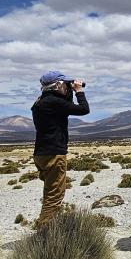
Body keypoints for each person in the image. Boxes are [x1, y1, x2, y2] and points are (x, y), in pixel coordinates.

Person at [31, 70, 89, 226]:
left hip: (42, 152)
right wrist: (79, 91)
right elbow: (84, 109)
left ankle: (47, 226)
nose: (67, 87)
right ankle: (45, 233)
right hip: (54, 153)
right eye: (64, 84)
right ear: (57, 85)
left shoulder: (40, 101)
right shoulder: (54, 103)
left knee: (50, 192)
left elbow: (66, 106)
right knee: (54, 195)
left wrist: (68, 88)